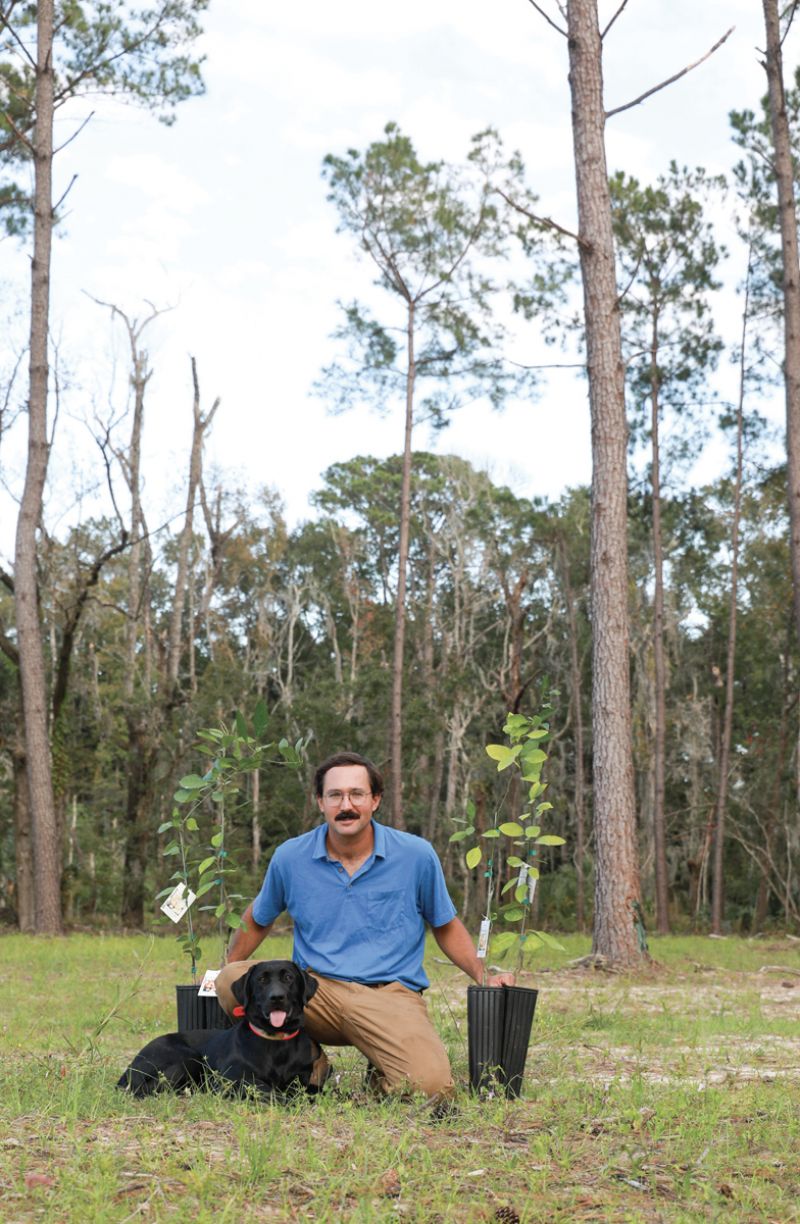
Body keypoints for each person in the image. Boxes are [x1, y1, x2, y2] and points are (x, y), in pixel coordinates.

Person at [216, 751, 514, 1100]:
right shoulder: (290, 857)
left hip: (389, 996)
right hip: (316, 994)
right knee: (229, 980)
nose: (347, 805)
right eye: (335, 795)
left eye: (357, 794)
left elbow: (445, 925)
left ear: (375, 800)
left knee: (430, 1087)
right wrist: (223, 967)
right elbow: (257, 919)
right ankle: (309, 1061)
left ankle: (382, 1076)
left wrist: (483, 975)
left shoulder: (416, 855)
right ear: (320, 802)